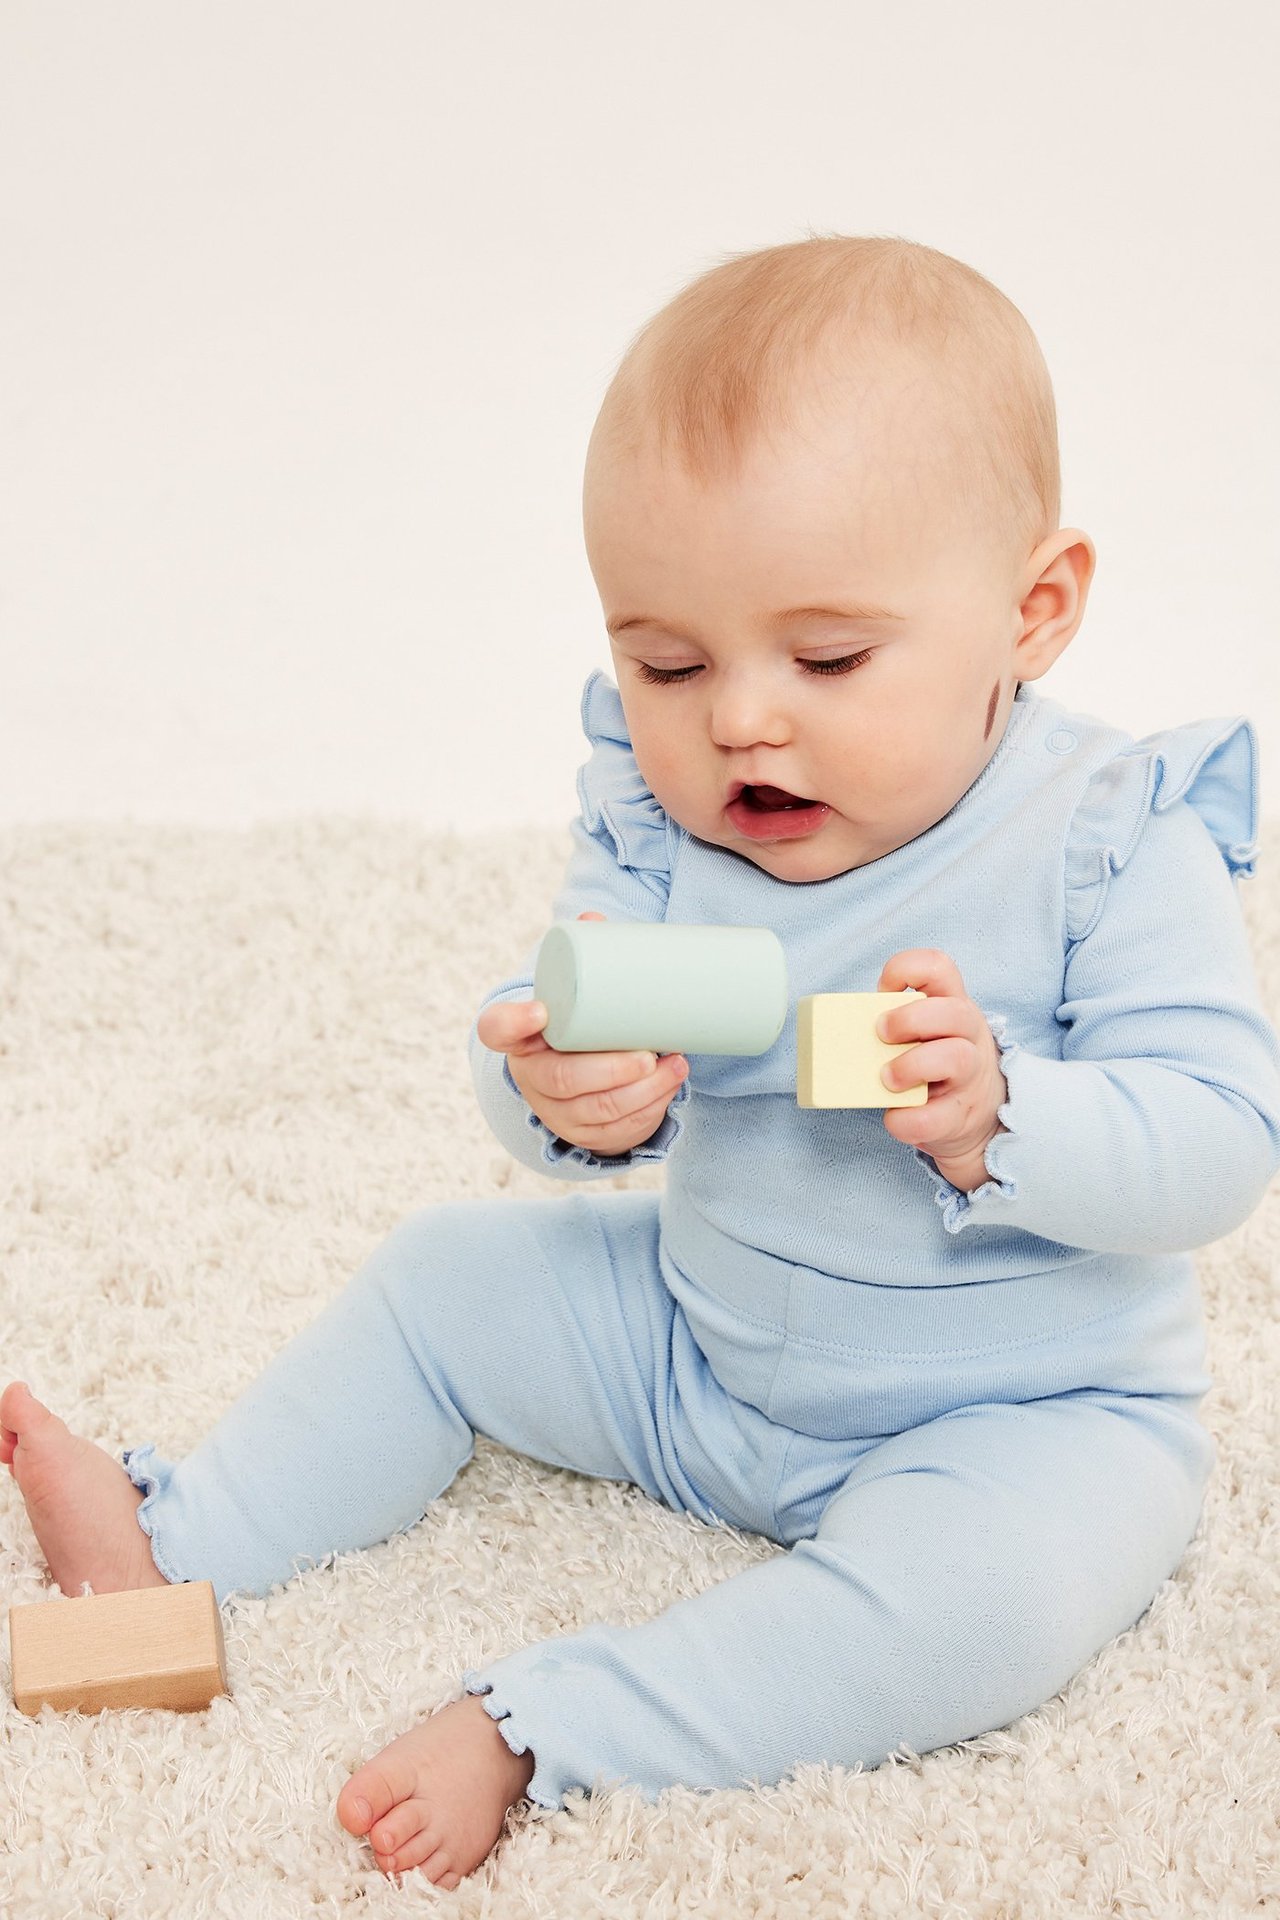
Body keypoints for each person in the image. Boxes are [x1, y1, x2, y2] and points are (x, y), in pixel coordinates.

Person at [5, 234, 1279, 1890]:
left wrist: (1006, 1113)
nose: (741, 719)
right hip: (697, 1348)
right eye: (670, 662)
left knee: (991, 1608)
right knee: (447, 1277)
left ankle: (553, 1723)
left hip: (1016, 1409)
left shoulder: (1107, 836)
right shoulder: (663, 821)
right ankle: (183, 1542)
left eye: (827, 660)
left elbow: (1219, 1135)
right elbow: (554, 1021)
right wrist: (563, 1095)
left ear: (1031, 613)